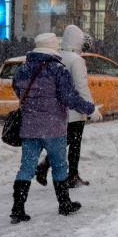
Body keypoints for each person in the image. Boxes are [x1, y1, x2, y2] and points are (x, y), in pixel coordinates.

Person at [9, 33, 95, 223]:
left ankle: (17, 208)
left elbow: (17, 89)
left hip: (30, 127)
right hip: (54, 127)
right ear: (51, 47)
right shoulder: (57, 69)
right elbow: (68, 97)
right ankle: (64, 204)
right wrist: (89, 108)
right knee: (59, 166)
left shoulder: (23, 69)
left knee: (26, 168)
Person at [35, 25, 99, 188]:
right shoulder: (76, 60)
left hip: (59, 110)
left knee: (63, 142)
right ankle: (71, 175)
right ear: (78, 41)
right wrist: (92, 109)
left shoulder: (57, 56)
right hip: (75, 111)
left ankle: (45, 166)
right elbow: (81, 87)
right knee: (74, 145)